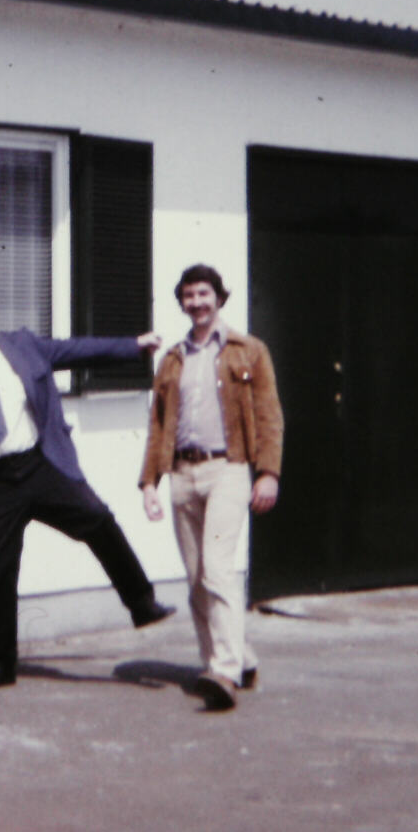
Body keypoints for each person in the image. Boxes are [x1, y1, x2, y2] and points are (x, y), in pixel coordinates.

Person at [0, 279, 174, 691]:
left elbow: (76, 349)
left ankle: (141, 603)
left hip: (38, 466)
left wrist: (133, 346)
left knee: (97, 519)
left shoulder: (22, 345)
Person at [139, 264, 284, 713]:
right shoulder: (173, 358)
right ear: (181, 302)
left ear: (220, 298)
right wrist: (149, 481)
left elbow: (269, 416)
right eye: (188, 295)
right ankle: (239, 659)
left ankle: (223, 671)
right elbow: (158, 423)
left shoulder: (248, 350)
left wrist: (269, 473)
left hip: (229, 470)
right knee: (198, 579)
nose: (196, 302)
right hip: (183, 474)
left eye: (204, 294)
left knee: (218, 569)